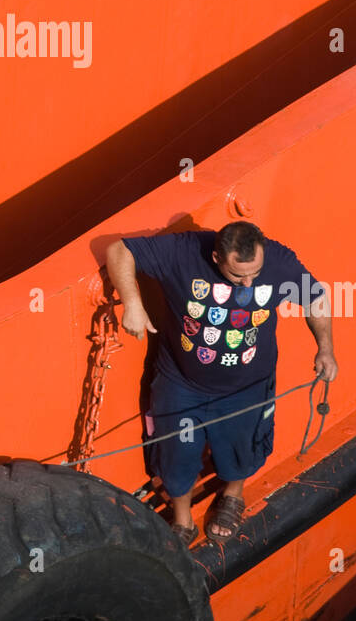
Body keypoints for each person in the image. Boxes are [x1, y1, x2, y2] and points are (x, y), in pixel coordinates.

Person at [105, 221, 338, 546]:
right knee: (177, 454)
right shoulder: (183, 251)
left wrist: (325, 349)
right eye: (238, 275)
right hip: (182, 384)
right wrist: (133, 303)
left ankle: (233, 495)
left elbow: (315, 298)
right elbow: (118, 249)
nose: (248, 282)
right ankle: (182, 518)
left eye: (255, 274)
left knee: (242, 447)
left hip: (248, 384)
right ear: (216, 257)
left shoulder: (279, 261)